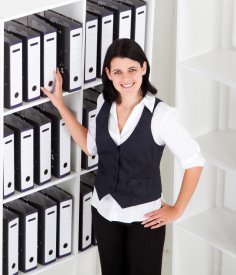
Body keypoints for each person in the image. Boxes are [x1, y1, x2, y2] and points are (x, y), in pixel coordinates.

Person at [41, 38, 204, 275]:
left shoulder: (161, 116)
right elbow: (91, 146)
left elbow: (195, 161)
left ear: (144, 68)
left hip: (145, 218)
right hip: (104, 210)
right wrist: (60, 105)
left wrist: (177, 210)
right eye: (117, 71)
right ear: (108, 74)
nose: (125, 78)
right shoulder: (103, 102)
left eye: (132, 69)